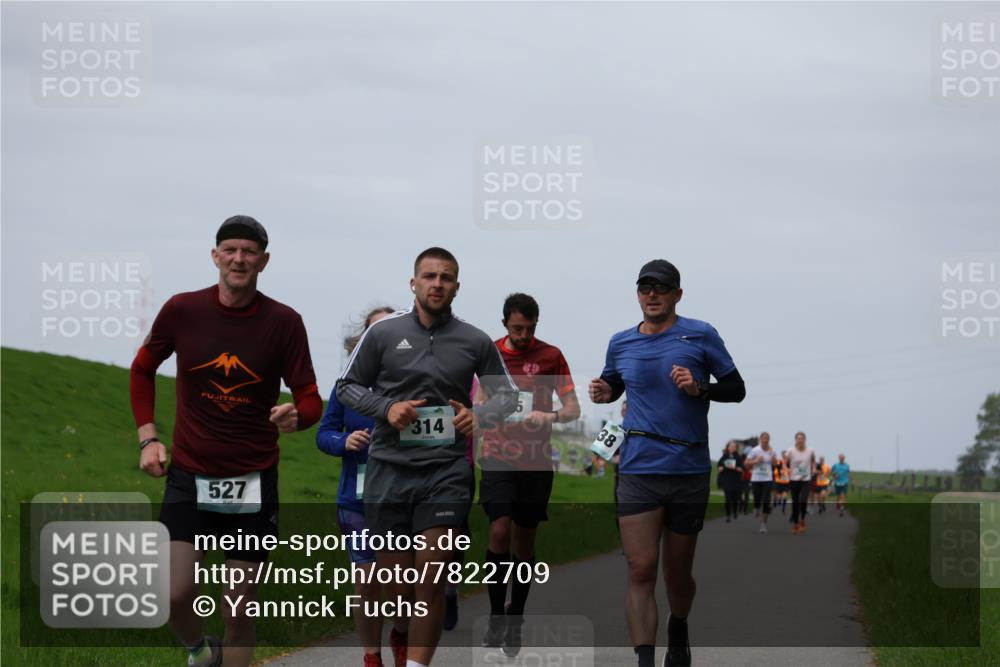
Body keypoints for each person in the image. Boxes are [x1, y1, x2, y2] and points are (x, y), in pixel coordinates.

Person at [130, 216, 323, 667]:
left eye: (249, 252)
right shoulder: (183, 310)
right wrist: (148, 439)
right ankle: (200, 652)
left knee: (238, 606)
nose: (239, 259)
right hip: (190, 475)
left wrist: (300, 416)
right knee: (174, 593)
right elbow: (142, 368)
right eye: (230, 250)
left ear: (264, 261)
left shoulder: (285, 322)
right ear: (215, 256)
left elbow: (310, 396)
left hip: (252, 480)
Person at [336, 247, 518, 667]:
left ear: (457, 286)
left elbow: (508, 396)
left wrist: (480, 415)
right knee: (399, 594)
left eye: (446, 278)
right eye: (430, 276)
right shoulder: (383, 334)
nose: (438, 284)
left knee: (430, 581)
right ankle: (401, 631)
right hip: (389, 472)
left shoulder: (473, 340)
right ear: (414, 283)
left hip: (445, 473)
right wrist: (387, 408)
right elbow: (346, 386)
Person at [589, 259, 746, 667]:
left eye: (661, 288)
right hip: (638, 469)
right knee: (641, 569)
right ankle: (644, 659)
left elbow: (737, 388)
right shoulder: (621, 342)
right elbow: (614, 383)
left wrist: (700, 388)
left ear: (678, 294)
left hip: (687, 469)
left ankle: (679, 624)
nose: (652, 294)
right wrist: (604, 391)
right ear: (637, 294)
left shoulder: (700, 334)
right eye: (645, 288)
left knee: (677, 575)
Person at [475, 292, 581, 657]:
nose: (523, 336)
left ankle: (515, 615)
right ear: (505, 323)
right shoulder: (490, 353)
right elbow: (477, 401)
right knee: (498, 531)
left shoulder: (551, 356)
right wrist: (486, 410)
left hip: (535, 462)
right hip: (497, 454)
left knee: (524, 543)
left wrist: (549, 416)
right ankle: (495, 614)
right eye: (517, 328)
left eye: (529, 329)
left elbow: (572, 408)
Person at [317, 306, 407, 667]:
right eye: (375, 332)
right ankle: (372, 656)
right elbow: (324, 434)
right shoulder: (346, 386)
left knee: (400, 586)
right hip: (357, 499)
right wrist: (344, 441)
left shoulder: (415, 383)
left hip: (403, 498)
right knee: (367, 580)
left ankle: (401, 632)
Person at [744, 432, 776, 533]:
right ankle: (756, 507)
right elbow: (746, 463)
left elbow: (775, 464)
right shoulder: (755, 450)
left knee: (766, 501)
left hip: (767, 479)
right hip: (756, 479)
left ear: (769, 440)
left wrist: (773, 460)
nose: (765, 440)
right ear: (760, 440)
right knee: (757, 499)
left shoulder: (772, 451)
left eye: (767, 439)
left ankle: (763, 524)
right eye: (763, 438)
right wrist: (756, 461)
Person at [785, 432, 815, 534]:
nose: (800, 440)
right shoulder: (791, 451)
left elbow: (813, 461)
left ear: (805, 440)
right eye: (798, 438)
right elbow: (784, 462)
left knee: (803, 499)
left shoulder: (810, 451)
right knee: (795, 502)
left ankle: (802, 519)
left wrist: (813, 469)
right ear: (796, 440)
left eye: (802, 438)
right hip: (794, 479)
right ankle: (796, 524)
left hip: (806, 479)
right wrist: (787, 469)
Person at [716, 441, 744, 523]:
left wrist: (737, 468)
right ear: (727, 447)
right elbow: (719, 466)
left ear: (736, 448)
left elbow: (741, 468)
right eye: (730, 446)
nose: (732, 448)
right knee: (728, 498)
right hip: (726, 480)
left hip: (736, 481)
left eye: (734, 447)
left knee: (735, 498)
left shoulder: (738, 457)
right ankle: (728, 516)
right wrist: (720, 468)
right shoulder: (724, 456)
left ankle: (735, 512)